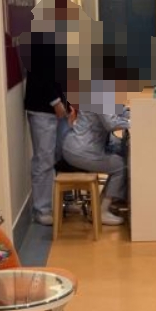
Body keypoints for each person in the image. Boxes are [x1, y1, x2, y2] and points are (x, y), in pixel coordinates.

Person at [62, 85, 130, 226]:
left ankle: (107, 202)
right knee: (121, 166)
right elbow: (111, 123)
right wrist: (133, 122)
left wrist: (133, 113)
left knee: (123, 149)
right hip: (81, 150)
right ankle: (102, 211)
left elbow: (117, 110)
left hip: (80, 146)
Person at [24, 65, 73, 226]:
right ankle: (42, 210)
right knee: (44, 159)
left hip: (60, 106)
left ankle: (61, 200)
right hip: (43, 108)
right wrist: (56, 101)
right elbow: (39, 70)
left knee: (63, 154)